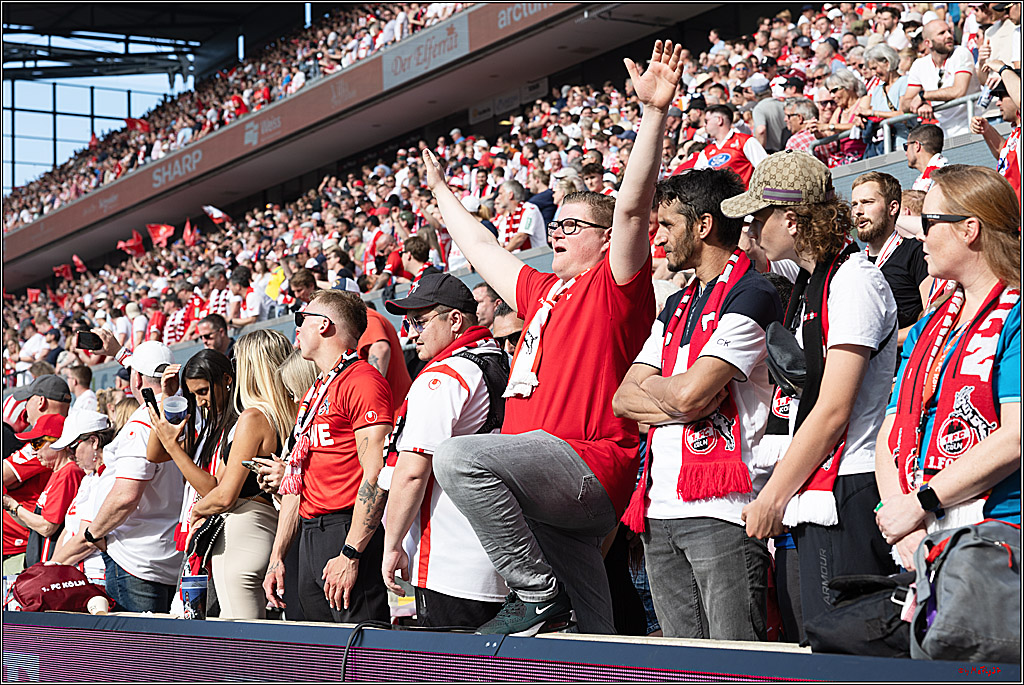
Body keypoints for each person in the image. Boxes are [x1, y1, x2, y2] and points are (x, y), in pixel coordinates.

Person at [422, 40, 676, 636]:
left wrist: (655, 116)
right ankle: (573, 629)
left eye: (571, 225)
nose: (556, 234)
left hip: (584, 459)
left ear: (602, 235)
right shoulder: (543, 292)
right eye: (554, 224)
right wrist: (441, 194)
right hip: (543, 481)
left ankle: (534, 593)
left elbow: (634, 210)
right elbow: (482, 248)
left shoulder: (615, 283)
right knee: (590, 632)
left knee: (457, 455)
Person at [723, 151, 899, 638]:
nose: (749, 231)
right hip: (818, 483)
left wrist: (772, 496)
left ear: (793, 220)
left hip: (849, 483)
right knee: (814, 647)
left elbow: (834, 408)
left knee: (848, 657)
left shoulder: (853, 281)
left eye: (758, 218)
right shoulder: (812, 279)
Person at [613, 168, 783, 641]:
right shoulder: (677, 302)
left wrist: (679, 395)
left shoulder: (753, 293)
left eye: (667, 225)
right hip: (657, 509)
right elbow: (624, 398)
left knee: (734, 663)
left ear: (703, 226)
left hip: (723, 509)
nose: (659, 236)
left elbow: (690, 391)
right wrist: (686, 402)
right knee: (678, 667)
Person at [875, 165, 1020, 570]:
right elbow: (892, 427)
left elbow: (1017, 435)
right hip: (921, 536)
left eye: (928, 221)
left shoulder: (1017, 313)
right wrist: (902, 519)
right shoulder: (929, 325)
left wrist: (919, 504)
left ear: (969, 229)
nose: (918, 234)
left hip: (997, 539)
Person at [380, 273, 510, 628]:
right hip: (489, 550)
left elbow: (412, 471)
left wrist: (391, 545)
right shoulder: (497, 359)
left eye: (419, 322)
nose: (411, 332)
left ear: (454, 320)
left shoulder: (446, 374)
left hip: (448, 561)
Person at [263, 290, 393, 623]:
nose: (297, 329)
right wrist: (278, 556)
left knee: (359, 655)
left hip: (345, 529)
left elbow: (375, 474)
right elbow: (297, 478)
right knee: (318, 656)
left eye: (300, 320)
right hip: (310, 532)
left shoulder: (363, 381)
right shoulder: (317, 389)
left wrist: (350, 553)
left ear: (323, 325)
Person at [52, 337, 185, 613]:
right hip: (169, 556)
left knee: (135, 653)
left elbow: (126, 496)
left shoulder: (142, 422)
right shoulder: (184, 411)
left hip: (136, 560)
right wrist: (119, 353)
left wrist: (92, 534)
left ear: (136, 378)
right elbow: (149, 378)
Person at [850, 172, 931, 346]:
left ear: (893, 208)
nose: (858, 211)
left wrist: (877, 342)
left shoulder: (916, 252)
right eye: (854, 204)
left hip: (901, 367)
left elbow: (932, 321)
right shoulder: (854, 263)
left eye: (867, 202)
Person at [2, 375, 72, 574]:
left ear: (40, 401)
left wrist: (12, 502)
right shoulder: (61, 433)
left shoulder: (48, 439)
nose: (25, 408)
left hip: (22, 547)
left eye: (28, 400)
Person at [2, 414, 83, 567]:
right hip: (41, 559)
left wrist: (14, 506)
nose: (34, 451)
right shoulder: (56, 472)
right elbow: (39, 523)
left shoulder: (69, 472)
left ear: (59, 443)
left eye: (37, 443)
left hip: (53, 564)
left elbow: (47, 527)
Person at [48, 410, 114, 586]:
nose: (69, 454)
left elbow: (87, 539)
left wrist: (50, 569)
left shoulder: (108, 477)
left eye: (72, 447)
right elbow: (69, 528)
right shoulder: (88, 479)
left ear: (94, 441)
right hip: (74, 575)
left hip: (95, 579)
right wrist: (51, 566)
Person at [900, 19, 980, 138]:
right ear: (928, 43)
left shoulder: (961, 53)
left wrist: (923, 96)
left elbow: (958, 91)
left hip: (972, 125)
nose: (949, 35)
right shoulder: (919, 64)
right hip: (944, 132)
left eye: (949, 31)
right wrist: (921, 105)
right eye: (942, 33)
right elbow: (905, 104)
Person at [674, 104, 768, 187]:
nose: (704, 125)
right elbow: (698, 181)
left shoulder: (745, 141)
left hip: (744, 202)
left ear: (719, 120)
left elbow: (765, 169)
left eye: (707, 121)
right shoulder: (706, 152)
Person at [970, 69, 1021, 202]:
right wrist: (987, 130)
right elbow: (1004, 154)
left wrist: (1003, 68)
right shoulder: (1016, 132)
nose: (998, 103)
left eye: (1001, 96)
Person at [858, 44, 912, 157]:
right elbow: (872, 116)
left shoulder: (905, 82)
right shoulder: (877, 90)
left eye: (875, 68)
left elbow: (903, 114)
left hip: (902, 143)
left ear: (887, 63)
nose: (873, 73)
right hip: (881, 148)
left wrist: (873, 113)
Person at [358, 307, 412, 412]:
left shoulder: (366, 317)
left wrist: (369, 399)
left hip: (390, 411)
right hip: (392, 409)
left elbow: (380, 348)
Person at [493, 180, 546, 252]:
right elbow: (501, 242)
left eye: (501, 194)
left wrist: (503, 254)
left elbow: (521, 237)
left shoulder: (530, 209)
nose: (498, 198)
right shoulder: (507, 217)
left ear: (510, 195)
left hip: (536, 257)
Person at [905, 124, 948, 191]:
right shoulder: (945, 173)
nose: (906, 153)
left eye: (906, 146)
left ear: (917, 146)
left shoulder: (943, 177)